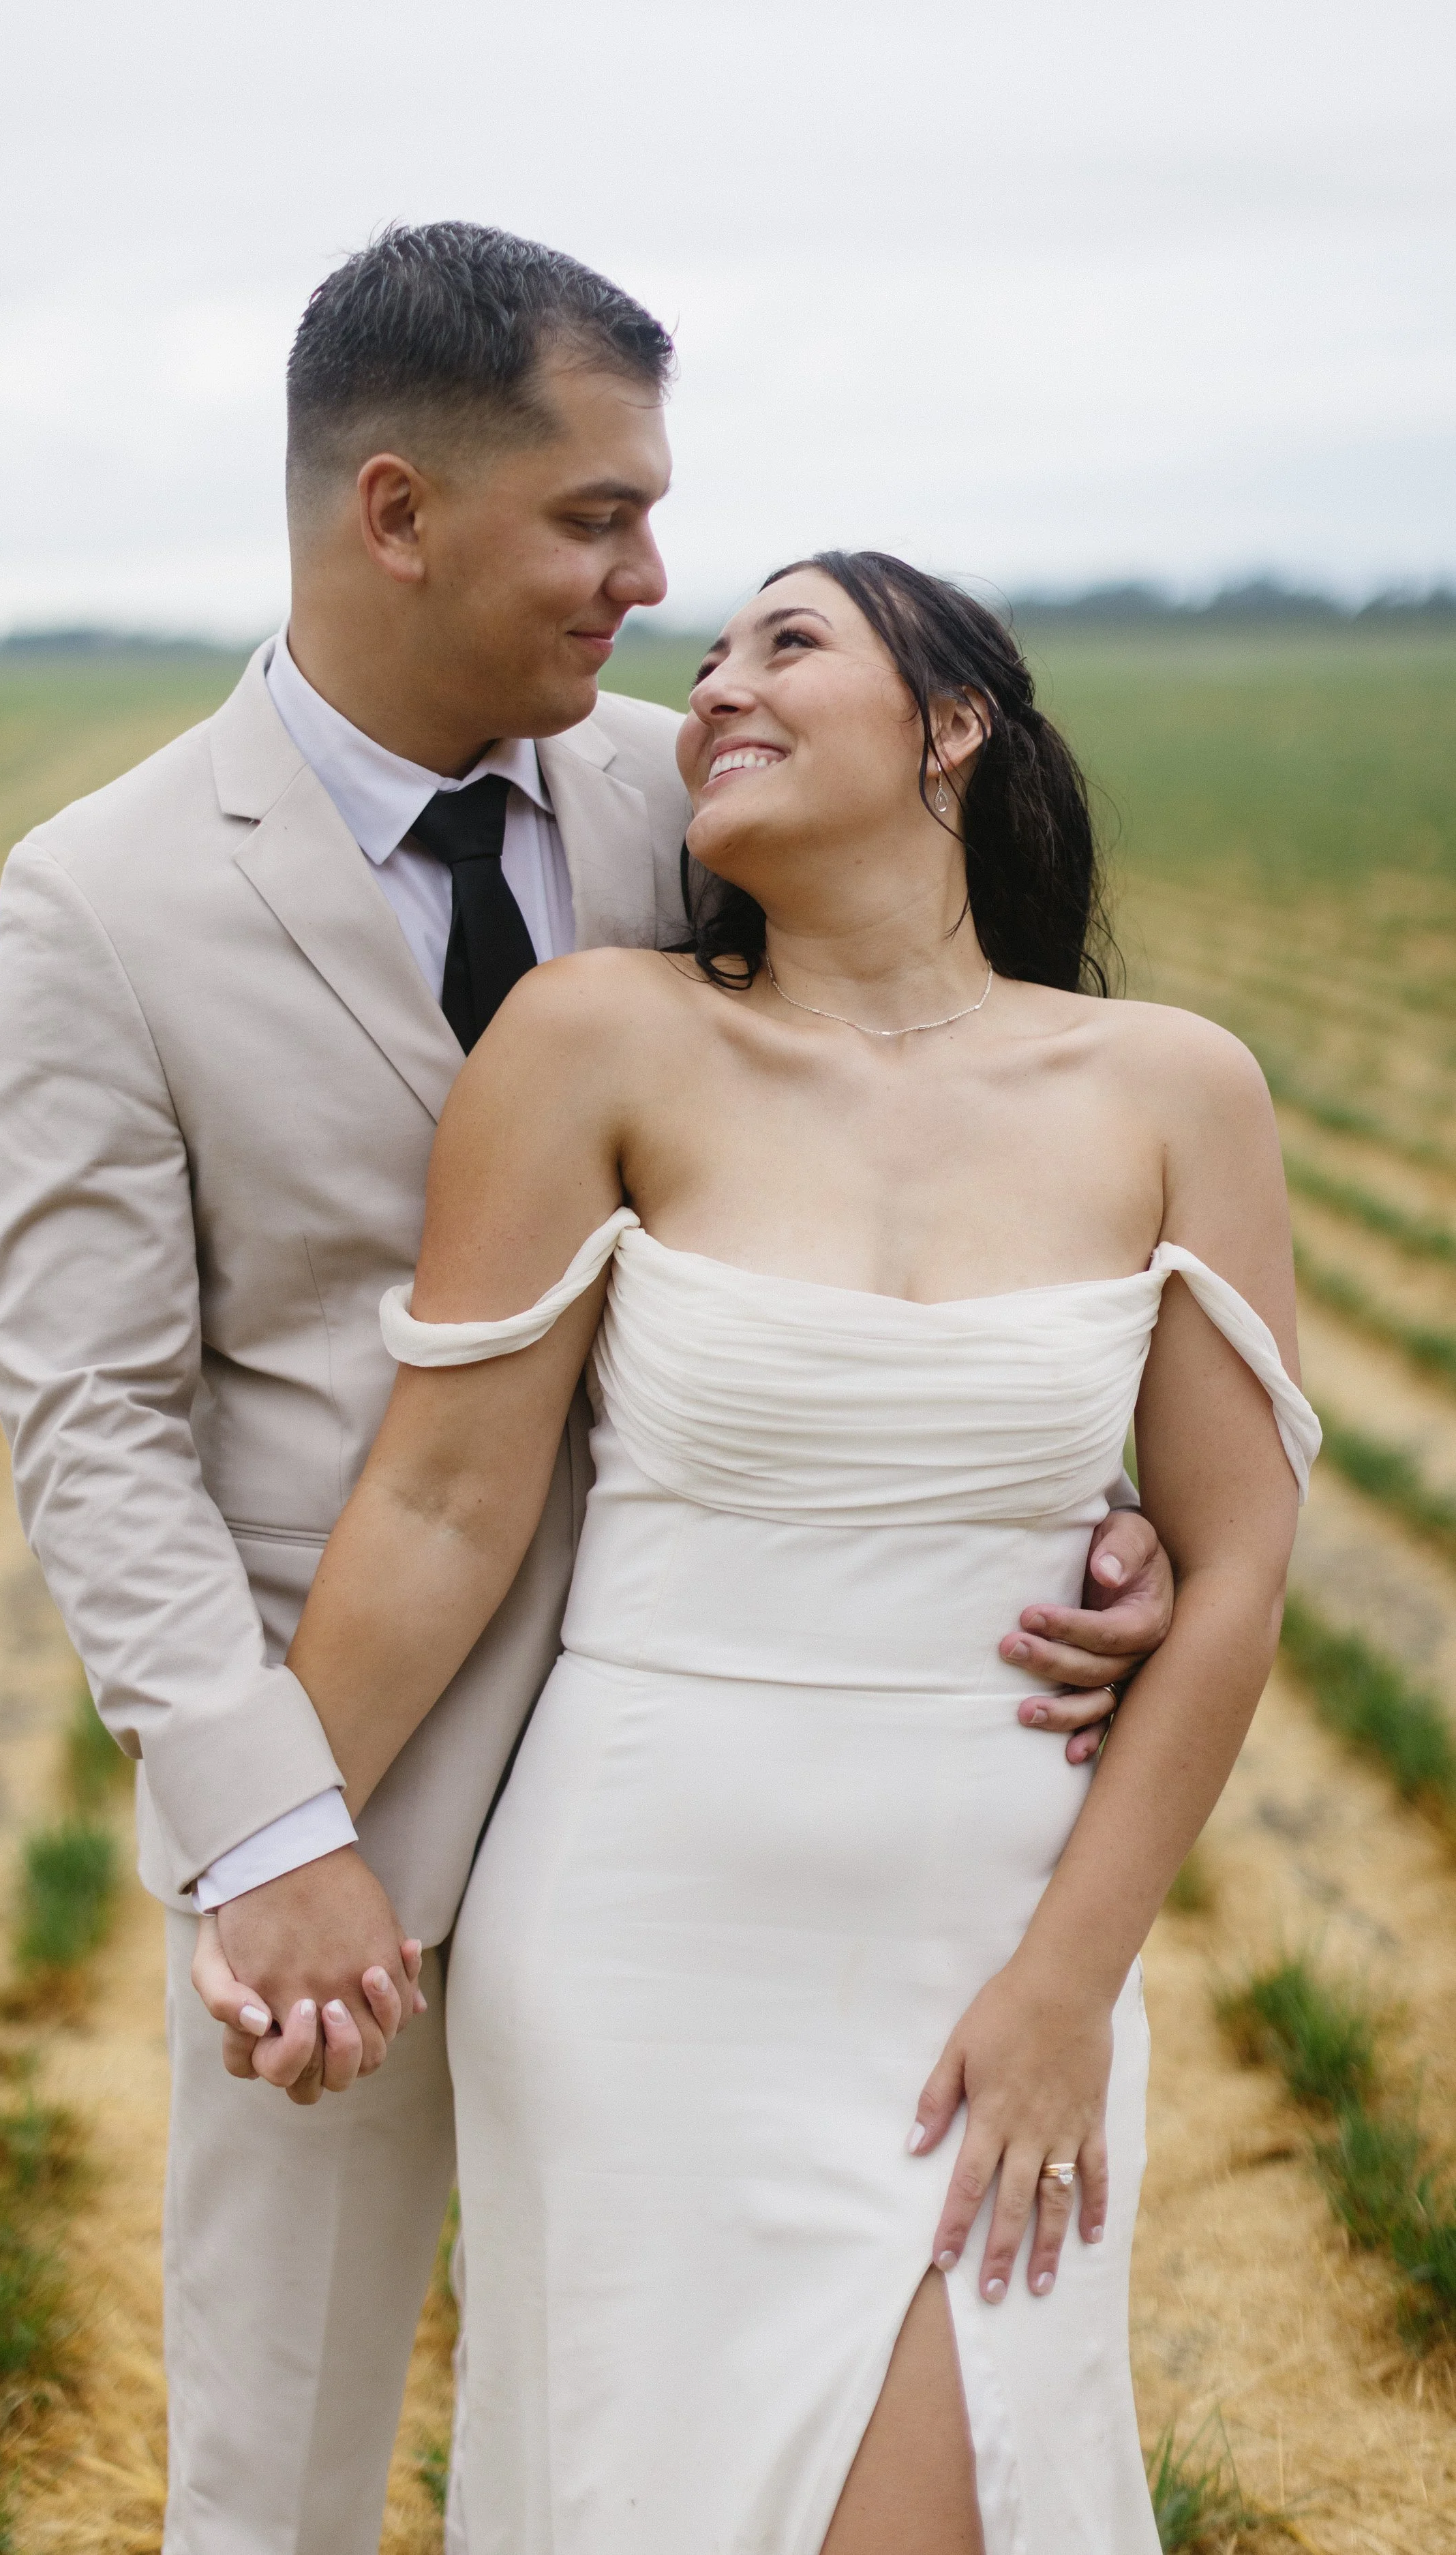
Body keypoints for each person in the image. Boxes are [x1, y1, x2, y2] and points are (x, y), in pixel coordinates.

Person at [0, 225, 1171, 2555]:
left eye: (653, 512)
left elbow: (949, 1140)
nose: (649, 576)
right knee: (286, 2468)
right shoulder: (100, 895)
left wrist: (1070, 1495)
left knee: (684, 2434)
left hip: (723, 1794)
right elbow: (95, 1416)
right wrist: (267, 1830)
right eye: (594, 517)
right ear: (394, 509)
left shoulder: (698, 790)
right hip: (354, 1798)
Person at [209, 549, 1317, 2552]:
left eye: (783, 644)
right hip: (640, 1931)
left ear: (954, 721)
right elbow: (443, 1500)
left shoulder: (1172, 1088)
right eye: (700, 661)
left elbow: (1236, 1566)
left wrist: (1069, 1985)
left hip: (995, 1923)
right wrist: (271, 1840)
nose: (712, 685)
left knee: (956, 2489)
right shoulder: (597, 1037)